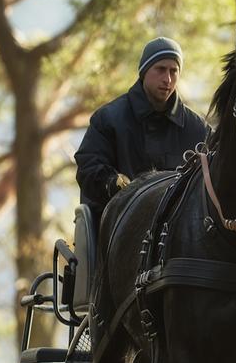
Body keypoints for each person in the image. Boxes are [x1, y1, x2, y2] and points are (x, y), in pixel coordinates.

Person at [75, 36, 210, 223]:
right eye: (160, 69)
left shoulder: (198, 129)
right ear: (144, 72)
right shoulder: (108, 119)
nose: (168, 79)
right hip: (118, 224)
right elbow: (88, 166)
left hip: (180, 229)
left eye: (174, 71)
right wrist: (113, 184)